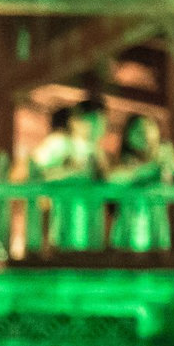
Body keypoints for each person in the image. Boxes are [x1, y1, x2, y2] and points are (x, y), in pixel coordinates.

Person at [105, 113, 174, 252]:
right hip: (125, 237)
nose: (144, 133)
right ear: (127, 136)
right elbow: (109, 179)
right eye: (137, 129)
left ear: (158, 132)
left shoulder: (167, 164)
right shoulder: (120, 164)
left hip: (157, 236)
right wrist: (148, 168)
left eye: (149, 126)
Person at [29, 99, 110, 251]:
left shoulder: (98, 152)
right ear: (74, 121)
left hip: (92, 226)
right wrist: (72, 174)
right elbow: (34, 171)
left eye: (101, 122)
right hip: (63, 223)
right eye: (92, 120)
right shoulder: (59, 143)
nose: (97, 127)